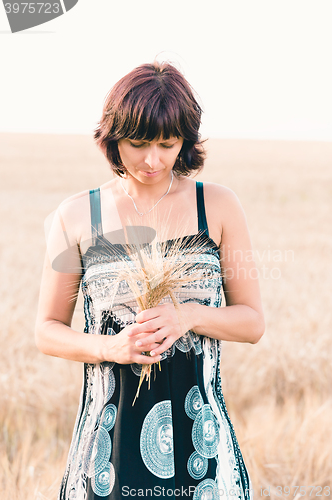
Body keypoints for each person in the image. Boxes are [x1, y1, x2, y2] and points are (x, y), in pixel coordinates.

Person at [35, 61, 265, 500]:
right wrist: (110, 347)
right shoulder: (77, 215)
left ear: (186, 140)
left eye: (168, 143)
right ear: (113, 137)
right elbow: (46, 331)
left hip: (202, 443)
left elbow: (253, 322)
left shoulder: (216, 206)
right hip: (108, 446)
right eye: (138, 143)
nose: (153, 160)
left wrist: (189, 315)